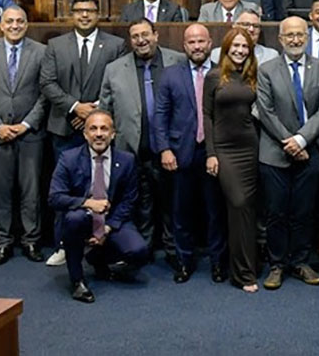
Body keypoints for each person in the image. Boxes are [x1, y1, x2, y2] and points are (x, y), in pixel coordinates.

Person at [40, 0, 127, 265]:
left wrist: (92, 112)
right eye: (79, 11)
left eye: (89, 10)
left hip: (100, 127)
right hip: (64, 127)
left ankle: (102, 242)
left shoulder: (115, 45)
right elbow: (47, 82)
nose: (85, 15)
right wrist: (75, 106)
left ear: (98, 13)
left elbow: (117, 82)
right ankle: (64, 245)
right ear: (71, 14)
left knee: (102, 187)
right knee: (65, 190)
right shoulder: (55, 45)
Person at [99, 19, 185, 266]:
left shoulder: (177, 61)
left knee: (172, 205)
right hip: (131, 151)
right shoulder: (114, 69)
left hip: (171, 150)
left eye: (145, 34)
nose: (141, 40)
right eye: (135, 36)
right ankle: (142, 253)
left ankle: (173, 252)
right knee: (140, 206)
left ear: (156, 35)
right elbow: (106, 110)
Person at [257, 16, 319, 289]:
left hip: (309, 150)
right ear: (280, 39)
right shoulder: (266, 69)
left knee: (304, 211)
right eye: (289, 35)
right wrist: (288, 141)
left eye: (300, 34)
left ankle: (301, 261)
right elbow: (265, 111)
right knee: (276, 212)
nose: (295, 39)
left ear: (307, 36)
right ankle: (277, 265)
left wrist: (301, 140)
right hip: (274, 153)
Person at [48, 109, 149, 303]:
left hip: (110, 220)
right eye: (93, 129)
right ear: (85, 134)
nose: (99, 134)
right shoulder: (68, 158)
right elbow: (55, 197)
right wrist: (87, 203)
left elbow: (129, 200)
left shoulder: (126, 160)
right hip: (81, 219)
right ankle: (77, 281)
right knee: (73, 218)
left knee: (139, 252)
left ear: (113, 134)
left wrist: (107, 228)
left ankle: (97, 258)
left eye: (104, 129)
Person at [0, 6, 47, 265]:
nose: (15, 26)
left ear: (27, 25)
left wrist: (26, 124)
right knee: (0, 193)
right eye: (9, 21)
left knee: (31, 192)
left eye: (20, 21)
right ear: (0, 25)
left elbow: (45, 93)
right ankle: (2, 243)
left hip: (30, 135)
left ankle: (31, 241)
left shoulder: (41, 52)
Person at [154, 23, 228, 284]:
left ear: (210, 44)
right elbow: (160, 115)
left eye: (201, 41)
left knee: (215, 212)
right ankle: (184, 262)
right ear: (184, 46)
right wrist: (164, 149)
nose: (197, 46)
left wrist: (218, 152)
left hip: (214, 153)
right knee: (181, 213)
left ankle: (219, 263)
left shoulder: (223, 73)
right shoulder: (170, 75)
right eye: (191, 42)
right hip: (180, 153)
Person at [203, 27, 261, 292]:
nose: (240, 51)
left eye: (245, 47)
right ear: (226, 48)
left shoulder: (252, 76)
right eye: (235, 46)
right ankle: (241, 274)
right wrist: (211, 154)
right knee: (237, 204)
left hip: (250, 148)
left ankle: (247, 267)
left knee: (248, 208)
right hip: (225, 151)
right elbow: (207, 116)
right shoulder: (214, 76)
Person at [209, 9, 280, 66]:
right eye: (246, 24)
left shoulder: (270, 56)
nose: (251, 29)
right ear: (234, 26)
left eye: (256, 26)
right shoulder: (217, 54)